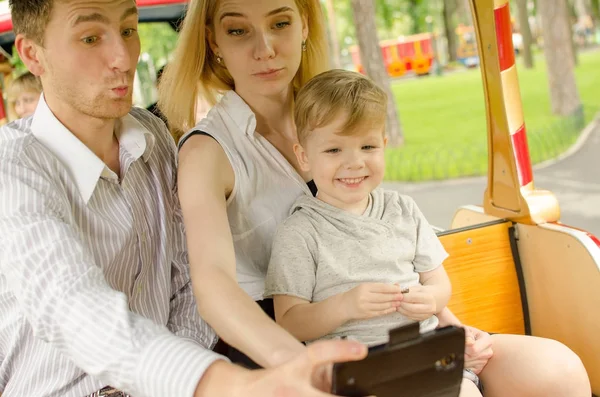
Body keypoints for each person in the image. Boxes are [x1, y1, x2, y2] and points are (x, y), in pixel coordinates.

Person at [159, 0, 592, 396]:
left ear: (305, 25)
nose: (266, 48)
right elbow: (214, 288)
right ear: (213, 40)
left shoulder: (334, 111)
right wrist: (301, 364)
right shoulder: (207, 151)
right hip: (286, 340)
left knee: (557, 370)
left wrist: (451, 326)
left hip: (401, 329)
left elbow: (387, 248)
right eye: (239, 31)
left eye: (280, 23)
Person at [0, 0, 366, 396]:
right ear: (32, 54)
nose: (122, 58)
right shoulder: (13, 170)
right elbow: (73, 309)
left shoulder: (152, 140)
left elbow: (187, 286)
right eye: (90, 38)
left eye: (128, 30)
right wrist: (225, 383)